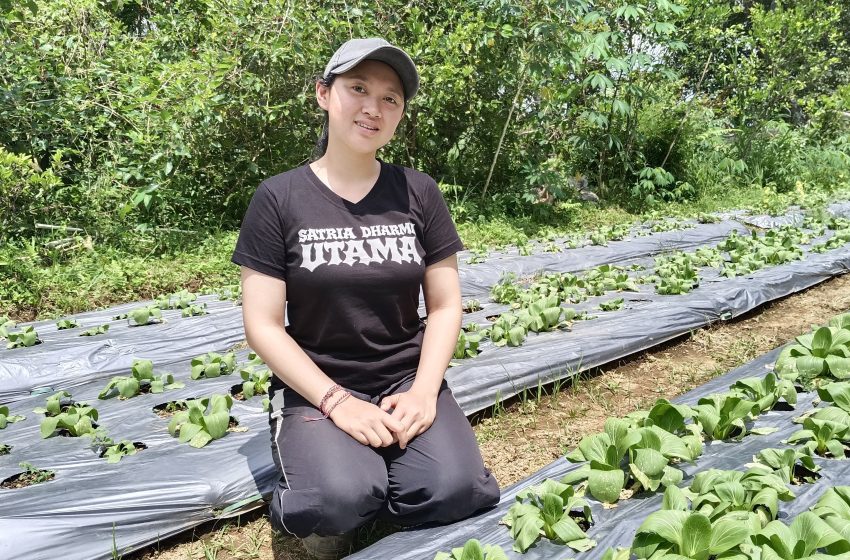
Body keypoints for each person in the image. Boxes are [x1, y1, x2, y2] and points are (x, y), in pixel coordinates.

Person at [231, 37, 501, 560]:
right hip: (319, 382)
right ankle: (337, 472)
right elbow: (262, 324)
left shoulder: (417, 192)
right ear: (324, 95)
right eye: (358, 88)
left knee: (458, 489)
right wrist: (338, 404)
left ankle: (377, 474)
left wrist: (424, 393)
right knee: (333, 500)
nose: (373, 108)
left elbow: (445, 306)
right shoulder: (279, 198)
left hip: (403, 377)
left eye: (391, 98)